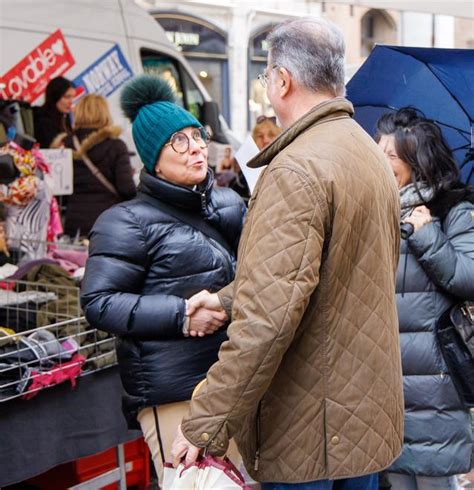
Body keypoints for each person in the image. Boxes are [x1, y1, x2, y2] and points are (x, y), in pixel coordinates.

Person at [171, 17, 404, 489]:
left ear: (282, 80)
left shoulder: (296, 168)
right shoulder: (366, 150)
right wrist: (228, 298)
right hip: (361, 418)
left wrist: (206, 420)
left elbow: (267, 319)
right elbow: (328, 272)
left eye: (266, 76)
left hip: (312, 426)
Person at [80, 75, 246, 483]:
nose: (196, 149)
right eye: (180, 141)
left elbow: (262, 274)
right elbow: (99, 302)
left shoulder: (229, 203)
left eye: (198, 135)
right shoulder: (125, 222)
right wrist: (180, 315)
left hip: (234, 383)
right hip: (174, 393)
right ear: (154, 157)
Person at [375, 108, 474, 490]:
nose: (381, 163)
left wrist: (426, 234)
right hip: (388, 381)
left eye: (391, 156)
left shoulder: (455, 211)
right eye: (377, 152)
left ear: (418, 163)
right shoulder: (376, 211)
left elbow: (467, 277)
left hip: (437, 384)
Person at [52, 94, 136, 238]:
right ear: (104, 114)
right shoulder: (116, 146)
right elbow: (126, 189)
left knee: (74, 260)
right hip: (109, 223)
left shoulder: (63, 146)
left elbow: (56, 190)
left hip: (74, 222)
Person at [33, 76, 75, 148]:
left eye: (72, 97)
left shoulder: (64, 117)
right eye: (67, 97)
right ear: (55, 97)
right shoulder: (42, 122)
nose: (71, 102)